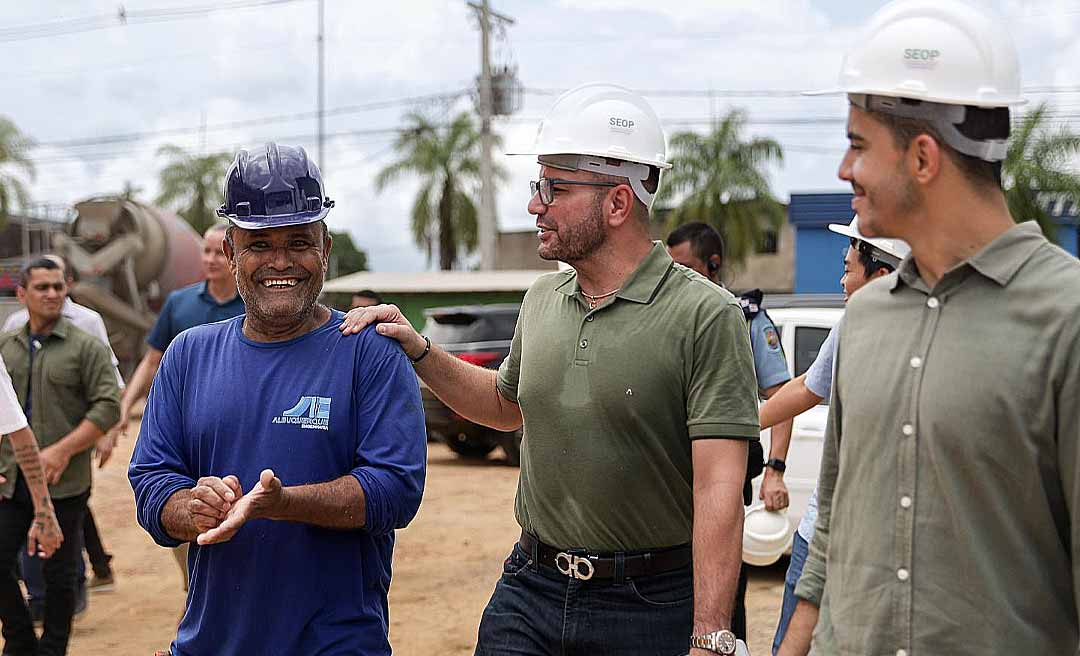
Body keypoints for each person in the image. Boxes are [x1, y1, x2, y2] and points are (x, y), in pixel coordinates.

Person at [342, 83, 759, 656]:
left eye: (554, 188)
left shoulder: (706, 316)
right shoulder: (541, 300)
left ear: (617, 203)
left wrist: (711, 634)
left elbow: (719, 487)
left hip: (649, 607)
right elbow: (504, 406)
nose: (535, 204)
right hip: (530, 589)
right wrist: (420, 350)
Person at [779, 1, 1080, 654]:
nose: (842, 170)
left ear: (922, 158)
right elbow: (830, 522)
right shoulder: (865, 318)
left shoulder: (1067, 320)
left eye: (858, 145)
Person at [128, 142, 426, 655]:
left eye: (299, 242)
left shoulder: (368, 353)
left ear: (325, 248)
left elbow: (395, 491)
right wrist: (192, 507)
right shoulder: (188, 355)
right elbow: (152, 484)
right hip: (211, 642)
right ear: (230, 252)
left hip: (335, 644)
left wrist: (281, 504)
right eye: (260, 244)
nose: (281, 261)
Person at [757, 217, 907, 655]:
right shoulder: (849, 329)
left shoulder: (926, 346)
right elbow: (807, 387)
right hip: (818, 536)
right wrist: (743, 423)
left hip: (876, 546)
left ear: (879, 277)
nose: (841, 281)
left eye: (848, 269)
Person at [666, 221, 794, 641]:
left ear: (714, 264)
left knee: (720, 599)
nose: (675, 276)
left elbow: (782, 396)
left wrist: (774, 467)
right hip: (670, 481)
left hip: (723, 475)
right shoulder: (662, 316)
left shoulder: (746, 318)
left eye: (684, 266)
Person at [110, 222, 244, 591]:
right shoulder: (179, 304)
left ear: (235, 256)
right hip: (187, 433)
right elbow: (152, 360)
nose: (212, 259)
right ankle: (195, 599)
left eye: (220, 251)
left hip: (236, 432)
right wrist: (125, 406)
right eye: (207, 251)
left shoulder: (254, 308)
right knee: (190, 530)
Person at [0, 257, 121, 656]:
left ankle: (53, 648)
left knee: (60, 574)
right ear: (21, 295)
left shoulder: (85, 345)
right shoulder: (7, 345)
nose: (53, 294)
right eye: (42, 288)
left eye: (59, 287)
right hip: (10, 480)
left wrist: (62, 450)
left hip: (65, 483)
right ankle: (19, 641)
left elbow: (107, 407)